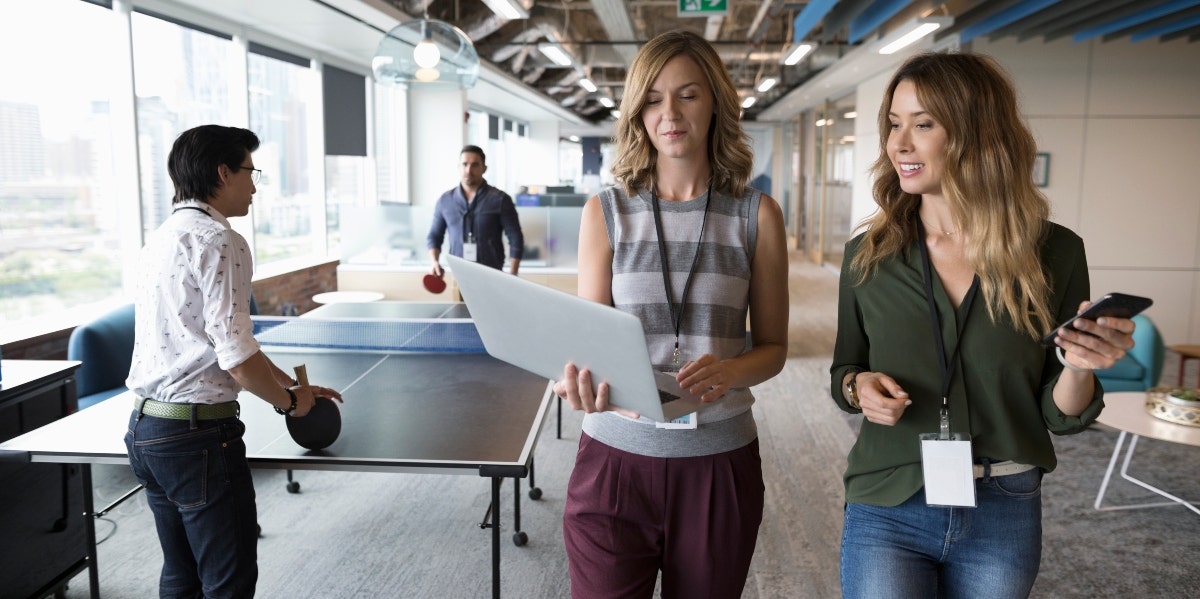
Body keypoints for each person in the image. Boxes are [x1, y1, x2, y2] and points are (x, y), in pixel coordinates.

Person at [830, 52, 1137, 598]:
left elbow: (1059, 414)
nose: (898, 143)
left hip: (1004, 505)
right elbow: (844, 371)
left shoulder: (1056, 253)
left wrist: (1078, 367)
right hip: (889, 499)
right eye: (894, 124)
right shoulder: (868, 257)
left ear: (976, 134)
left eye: (923, 124)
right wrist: (859, 388)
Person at [553, 30, 789, 598]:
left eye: (688, 94)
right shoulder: (605, 212)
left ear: (716, 104)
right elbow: (593, 339)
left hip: (718, 464)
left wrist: (730, 371)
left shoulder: (757, 215)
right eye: (654, 98)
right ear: (638, 112)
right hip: (612, 463)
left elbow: (776, 349)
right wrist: (581, 381)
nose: (670, 113)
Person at [125, 124, 343, 598]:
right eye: (250, 171)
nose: (254, 185)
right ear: (223, 173)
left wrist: (294, 387)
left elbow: (218, 343)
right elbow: (237, 359)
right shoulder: (222, 240)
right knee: (229, 582)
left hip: (147, 433)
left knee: (181, 575)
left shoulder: (161, 239)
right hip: (198, 438)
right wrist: (289, 404)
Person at [427, 145, 524, 278]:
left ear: (484, 168)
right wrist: (434, 262)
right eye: (464, 164)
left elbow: (515, 237)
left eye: (475, 165)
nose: (468, 170)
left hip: (492, 275)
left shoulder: (500, 199)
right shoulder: (445, 201)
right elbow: (434, 236)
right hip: (459, 276)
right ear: (458, 167)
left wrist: (513, 273)